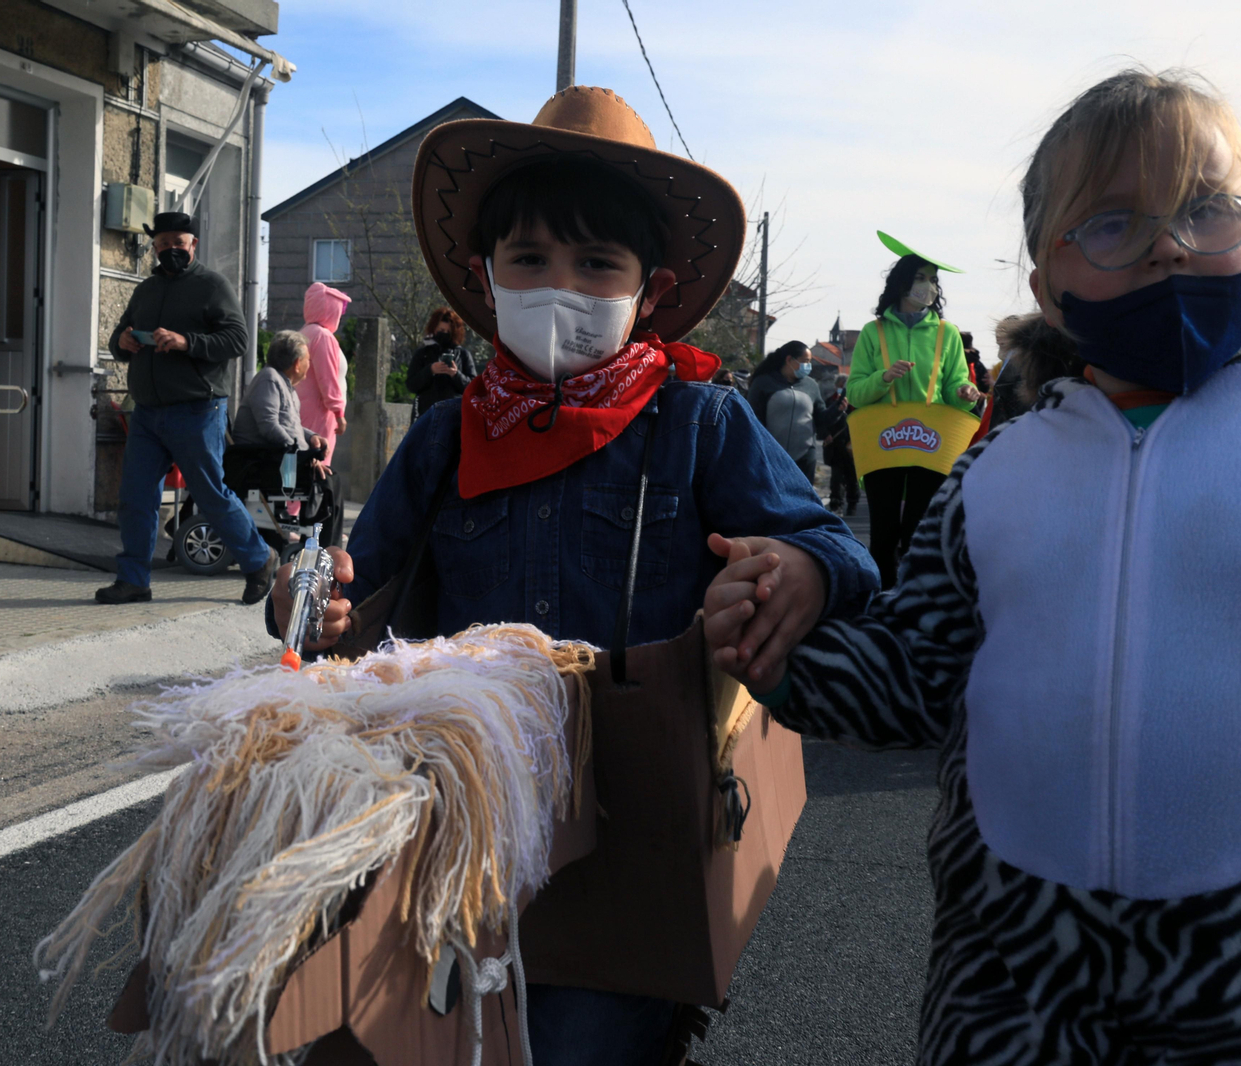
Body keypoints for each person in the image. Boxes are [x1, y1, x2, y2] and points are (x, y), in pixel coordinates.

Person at [266, 85, 878, 1066]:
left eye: (597, 263)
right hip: (451, 818)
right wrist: (314, 598)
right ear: (486, 273)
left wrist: (800, 567)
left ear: (653, 287)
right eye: (532, 260)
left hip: (631, 831)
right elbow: (355, 591)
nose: (563, 285)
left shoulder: (699, 426)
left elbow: (842, 553)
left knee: (579, 1045)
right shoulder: (442, 438)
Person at [707, 67, 1241, 1064]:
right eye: (1114, 225)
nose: (1171, 246)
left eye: (1208, 209)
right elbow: (918, 672)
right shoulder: (997, 472)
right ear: (1046, 277)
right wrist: (781, 647)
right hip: (1008, 980)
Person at [100, 211, 275, 606]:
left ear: (193, 245)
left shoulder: (213, 286)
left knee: (211, 495)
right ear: (156, 247)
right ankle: (133, 581)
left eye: (179, 244)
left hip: (197, 410)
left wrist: (186, 342)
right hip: (146, 411)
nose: (170, 251)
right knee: (135, 498)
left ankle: (260, 560)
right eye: (163, 245)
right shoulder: (145, 290)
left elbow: (238, 340)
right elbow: (120, 335)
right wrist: (121, 343)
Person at [845, 235, 982, 588]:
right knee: (883, 532)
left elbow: (955, 389)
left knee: (919, 531)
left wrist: (966, 393)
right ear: (902, 282)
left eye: (933, 279)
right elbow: (856, 393)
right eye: (921, 277)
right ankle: (881, 600)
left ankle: (912, 600)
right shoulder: (872, 333)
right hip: (882, 441)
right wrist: (883, 378)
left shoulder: (947, 334)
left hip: (932, 440)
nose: (929, 286)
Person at [234, 330, 345, 548]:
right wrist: (303, 456)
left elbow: (291, 425)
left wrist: (311, 437)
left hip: (280, 458)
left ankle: (324, 544)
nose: (309, 364)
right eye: (308, 360)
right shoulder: (269, 380)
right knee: (329, 483)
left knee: (332, 479)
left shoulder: (284, 385)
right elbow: (269, 426)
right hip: (262, 462)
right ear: (296, 363)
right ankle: (323, 546)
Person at [747, 340, 827, 485]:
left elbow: (821, 417)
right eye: (805, 361)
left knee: (803, 500)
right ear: (789, 360)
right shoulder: (763, 382)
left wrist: (838, 411)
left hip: (805, 456)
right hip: (771, 455)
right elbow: (753, 419)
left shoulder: (811, 385)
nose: (808, 366)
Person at [296, 282, 351, 463]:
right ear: (330, 310)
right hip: (320, 411)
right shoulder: (324, 336)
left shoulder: (305, 332)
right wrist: (339, 413)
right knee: (319, 461)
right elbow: (327, 379)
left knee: (304, 459)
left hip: (303, 409)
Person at [406, 306, 478, 416]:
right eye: (441, 330)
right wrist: (430, 370)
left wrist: (455, 374)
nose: (444, 334)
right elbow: (411, 384)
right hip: (427, 413)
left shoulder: (463, 355)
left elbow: (473, 387)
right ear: (434, 329)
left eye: (448, 332)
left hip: (454, 415)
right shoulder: (423, 353)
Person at [818, 373, 858, 515]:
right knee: (836, 478)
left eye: (844, 386)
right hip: (835, 446)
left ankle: (852, 504)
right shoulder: (830, 401)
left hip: (852, 446)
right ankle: (836, 504)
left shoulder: (855, 402)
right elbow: (822, 419)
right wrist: (825, 435)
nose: (842, 389)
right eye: (840, 386)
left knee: (852, 477)